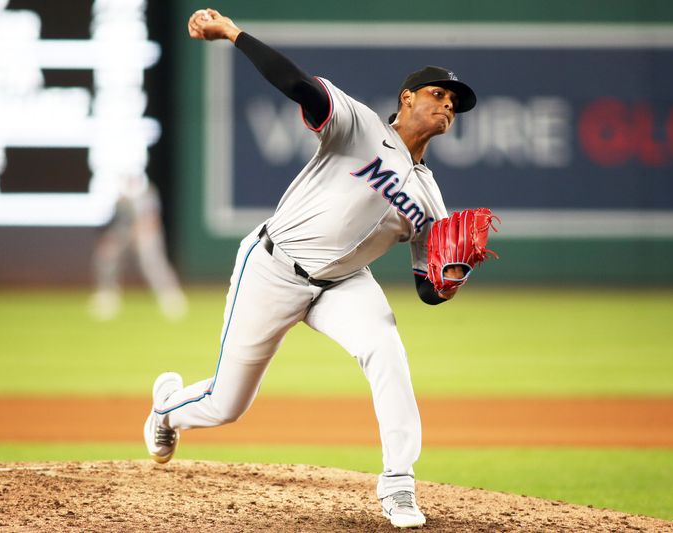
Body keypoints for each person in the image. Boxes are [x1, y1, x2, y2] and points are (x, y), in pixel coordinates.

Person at [144, 8, 477, 529]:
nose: (448, 105)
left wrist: (450, 281)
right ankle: (168, 410)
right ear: (407, 97)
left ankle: (398, 483)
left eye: (454, 104)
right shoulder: (360, 126)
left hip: (344, 284)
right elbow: (299, 85)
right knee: (227, 404)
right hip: (273, 267)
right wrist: (233, 33)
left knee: (386, 350)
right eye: (439, 94)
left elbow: (428, 290)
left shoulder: (431, 198)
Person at [89, 174, 187, 321]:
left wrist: (139, 237)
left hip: (146, 233)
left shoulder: (148, 194)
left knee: (152, 263)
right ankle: (107, 297)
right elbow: (116, 222)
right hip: (126, 232)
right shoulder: (122, 197)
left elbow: (152, 221)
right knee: (106, 256)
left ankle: (170, 297)